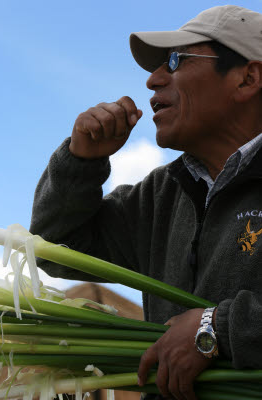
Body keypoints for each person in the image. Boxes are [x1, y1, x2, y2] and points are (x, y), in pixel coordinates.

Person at [30, 5, 262, 400]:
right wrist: (81, 162)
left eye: (175, 60)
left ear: (247, 78)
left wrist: (216, 328)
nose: (153, 80)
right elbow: (55, 250)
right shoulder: (160, 196)